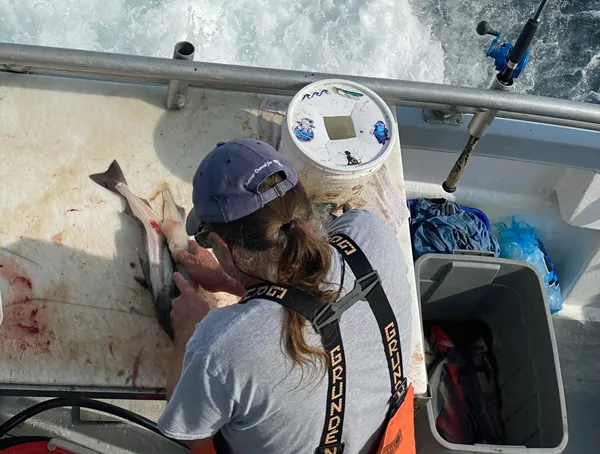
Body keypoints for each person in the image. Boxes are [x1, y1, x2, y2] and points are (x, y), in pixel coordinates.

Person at [158, 139, 413, 454]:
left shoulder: (221, 348)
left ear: (223, 246)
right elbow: (322, 299)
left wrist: (186, 332)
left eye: (208, 238)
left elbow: (186, 436)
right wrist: (230, 281)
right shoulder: (369, 233)